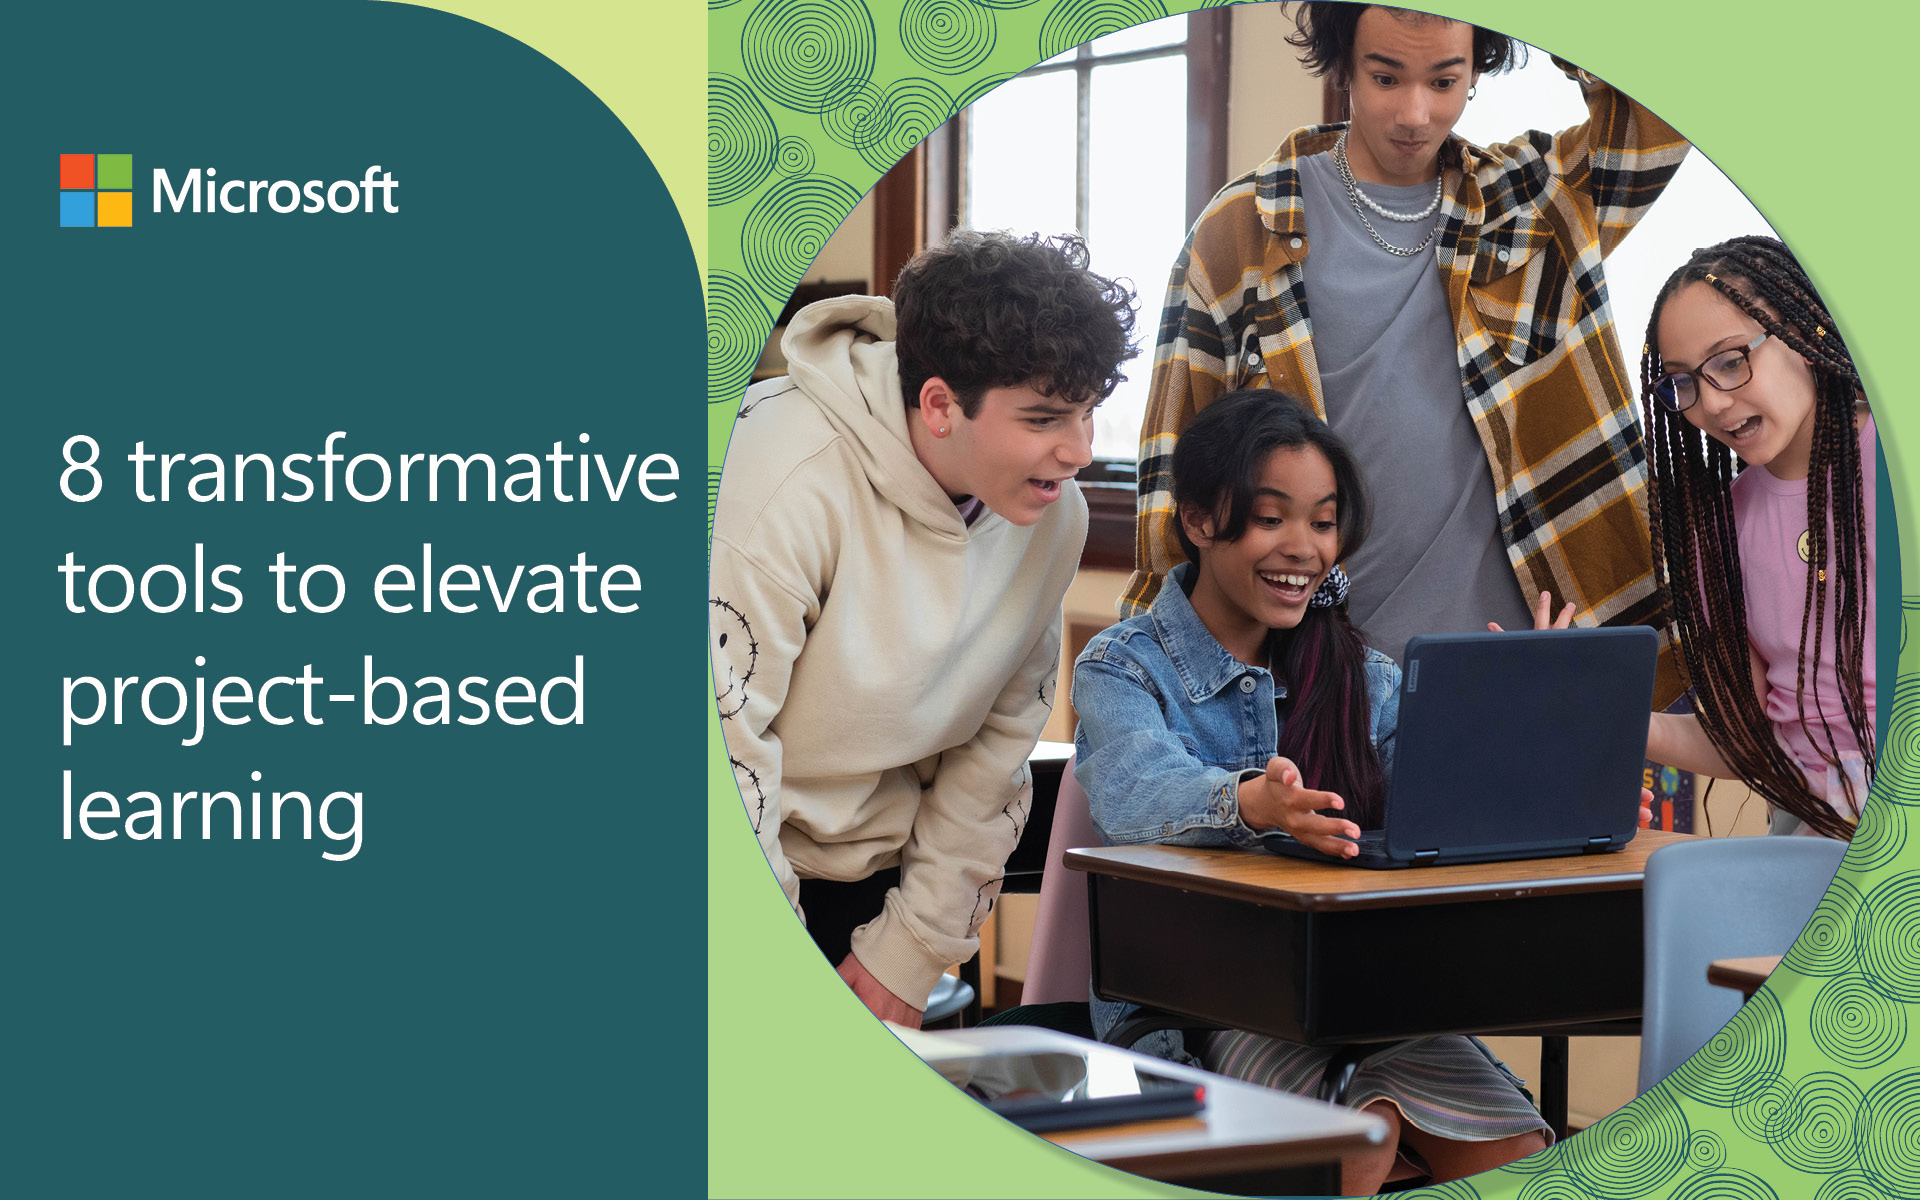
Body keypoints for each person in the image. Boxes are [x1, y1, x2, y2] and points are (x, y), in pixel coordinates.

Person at [1127, 2, 1689, 704]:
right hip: (1311, 689)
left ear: (1477, 70)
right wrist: (1154, 692)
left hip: (1529, 671)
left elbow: (1662, 117)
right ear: (1344, 66)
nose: (1415, 113)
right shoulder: (1242, 231)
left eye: (1445, 81)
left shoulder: (1537, 201)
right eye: (1386, 78)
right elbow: (1174, 487)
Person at [1074, 391, 1563, 1193]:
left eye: (1324, 521)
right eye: (1271, 519)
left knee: (1516, 1156)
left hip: (1368, 1003)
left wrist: (1544, 765)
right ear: (1198, 519)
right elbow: (1134, 791)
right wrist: (1247, 803)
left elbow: (1436, 807)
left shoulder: (1364, 675)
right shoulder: (1123, 666)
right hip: (1197, 1010)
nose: (1303, 547)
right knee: (1353, 1142)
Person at [710, 230, 1137, 1027]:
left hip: (875, 880)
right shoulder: (777, 475)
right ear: (940, 405)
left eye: (1088, 415)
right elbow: (723, 757)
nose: (1078, 451)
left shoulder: (1050, 515)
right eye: (1045, 418)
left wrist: (907, 955)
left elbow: (997, 750)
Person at [1638, 236, 1875, 840]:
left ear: (1803, 331)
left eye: (1730, 359)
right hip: (1814, 831)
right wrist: (1610, 716)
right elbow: (1748, 738)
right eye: (1682, 383)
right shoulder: (1720, 531)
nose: (1712, 403)